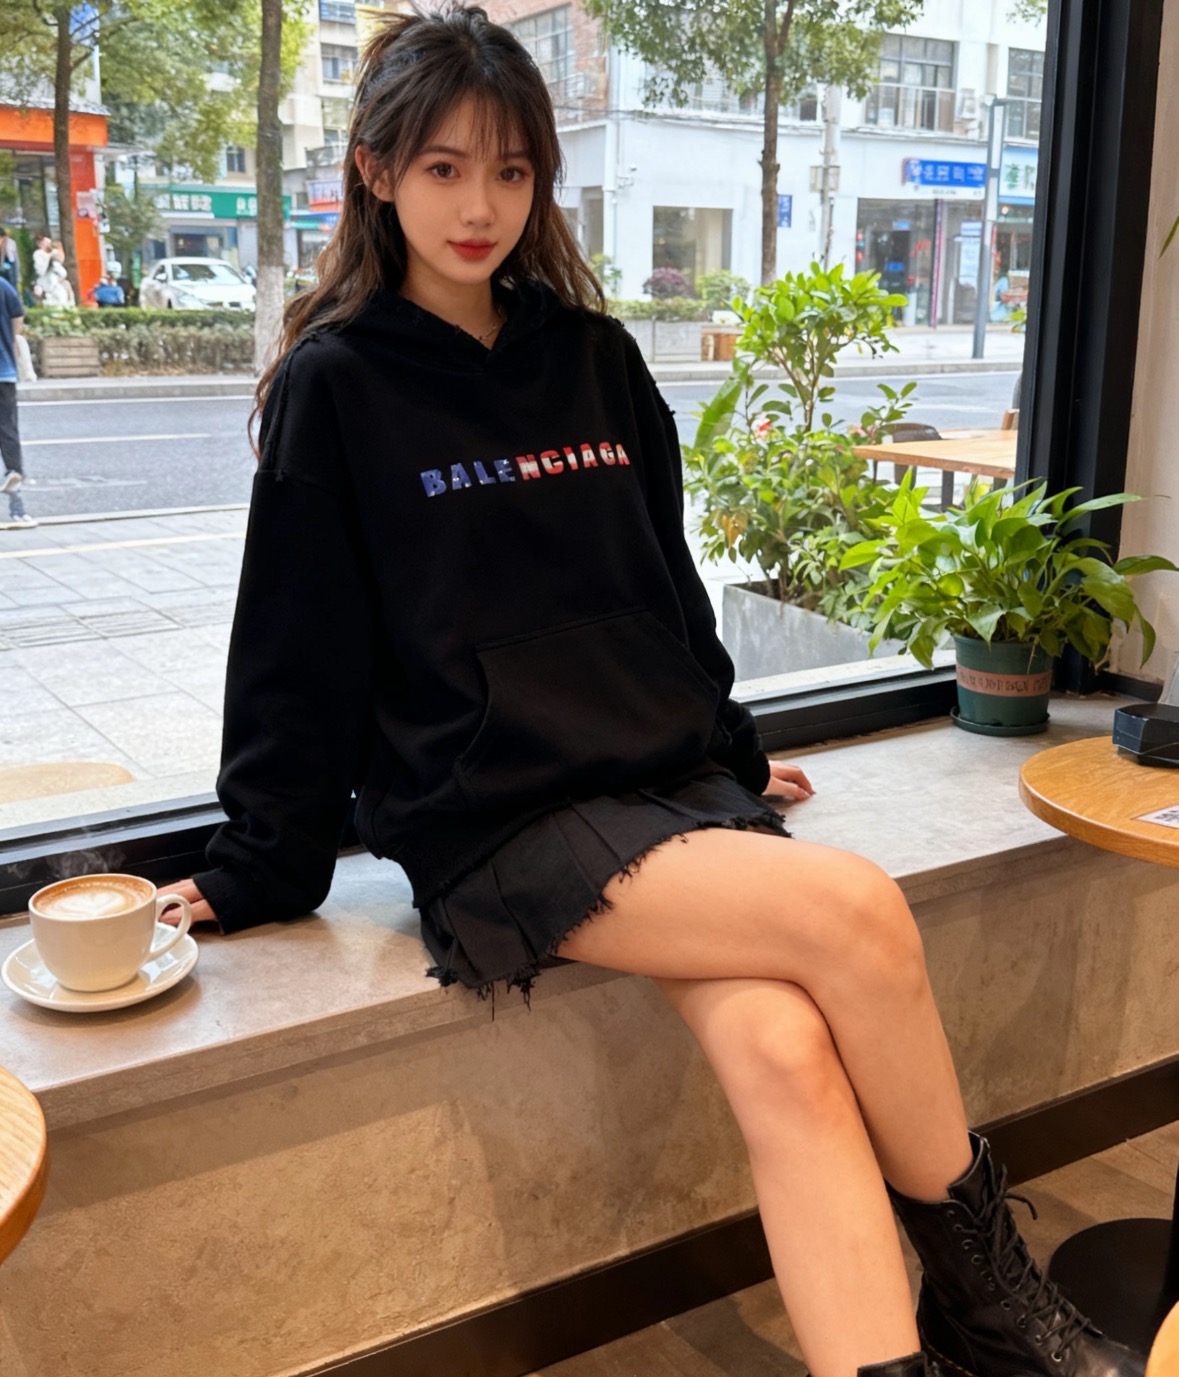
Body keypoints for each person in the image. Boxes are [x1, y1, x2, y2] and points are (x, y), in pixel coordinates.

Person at [165, 10, 1144, 1377]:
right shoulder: (337, 386)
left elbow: (662, 594)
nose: (479, 206)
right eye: (443, 168)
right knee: (857, 910)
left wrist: (728, 758)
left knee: (783, 1049)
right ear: (376, 172)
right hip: (498, 812)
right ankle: (1002, 1315)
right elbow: (294, 645)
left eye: (510, 171)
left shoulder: (594, 359)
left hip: (654, 781)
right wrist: (259, 862)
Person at [0, 274, 35, 527]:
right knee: (7, 427)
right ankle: (14, 472)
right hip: (4, 370)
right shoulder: (3, 286)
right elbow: (17, 321)